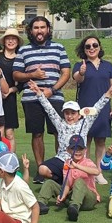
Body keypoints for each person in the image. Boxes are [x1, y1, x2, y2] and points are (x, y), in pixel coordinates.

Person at [13, 16, 71, 183]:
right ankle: (40, 169)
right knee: (37, 133)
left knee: (59, 133)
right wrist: (32, 75)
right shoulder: (24, 50)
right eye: (36, 27)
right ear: (31, 31)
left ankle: (60, 167)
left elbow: (66, 73)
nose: (39, 31)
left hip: (55, 97)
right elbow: (16, 74)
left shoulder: (58, 48)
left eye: (42, 27)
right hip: (32, 98)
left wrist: (51, 90)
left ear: (48, 29)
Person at [28, 80, 112, 187]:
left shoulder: (85, 123)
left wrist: (109, 93)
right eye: (67, 113)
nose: (69, 116)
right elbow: (49, 109)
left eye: (73, 113)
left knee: (82, 176)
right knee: (42, 169)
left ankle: (72, 182)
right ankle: (62, 181)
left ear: (79, 114)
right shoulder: (60, 123)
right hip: (62, 159)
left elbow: (97, 107)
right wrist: (38, 92)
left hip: (79, 161)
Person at [72, 35, 112, 173]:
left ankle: (98, 171)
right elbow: (78, 79)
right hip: (85, 108)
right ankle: (85, 170)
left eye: (94, 45)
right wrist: (81, 72)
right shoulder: (80, 65)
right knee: (85, 141)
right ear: (84, 49)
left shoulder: (108, 66)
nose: (91, 48)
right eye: (88, 46)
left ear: (99, 47)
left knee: (101, 141)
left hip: (104, 109)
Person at [36, 135, 100, 222]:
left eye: (80, 149)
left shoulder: (87, 162)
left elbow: (96, 171)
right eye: (74, 149)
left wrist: (77, 166)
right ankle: (40, 203)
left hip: (88, 200)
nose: (77, 152)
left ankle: (74, 207)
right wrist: (63, 195)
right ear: (68, 150)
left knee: (79, 181)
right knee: (50, 182)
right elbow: (67, 184)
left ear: (85, 150)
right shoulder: (67, 163)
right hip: (72, 195)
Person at [0, 0, 22, 152]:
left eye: (13, 39)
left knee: (9, 133)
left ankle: (11, 160)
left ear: (17, 42)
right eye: (8, 38)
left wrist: (10, 90)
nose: (10, 41)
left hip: (10, 99)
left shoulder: (21, 59)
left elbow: (21, 84)